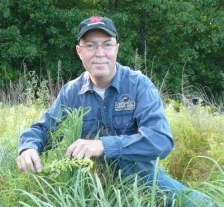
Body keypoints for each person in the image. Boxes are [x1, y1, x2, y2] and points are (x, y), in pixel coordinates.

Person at [17, 16, 212, 206]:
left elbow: (161, 141)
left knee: (202, 204)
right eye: (91, 45)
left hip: (143, 180)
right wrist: (28, 148)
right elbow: (43, 129)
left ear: (116, 49)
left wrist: (103, 146)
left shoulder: (138, 85)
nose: (100, 53)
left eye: (107, 44)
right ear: (79, 52)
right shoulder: (71, 92)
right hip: (89, 189)